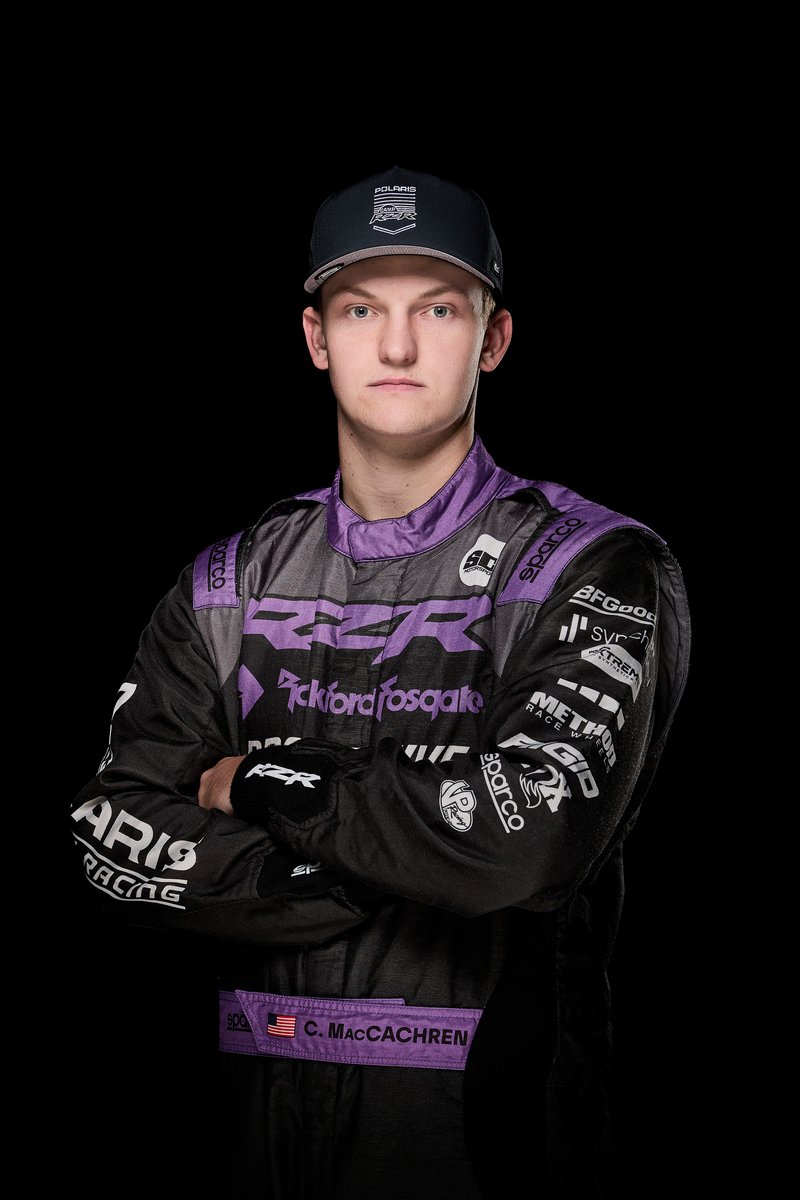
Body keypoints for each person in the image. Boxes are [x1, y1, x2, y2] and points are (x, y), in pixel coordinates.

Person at [69, 165, 691, 1199]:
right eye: (361, 309)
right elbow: (108, 829)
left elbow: (522, 842)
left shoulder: (592, 565)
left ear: (492, 338)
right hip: (243, 1148)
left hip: (480, 1161)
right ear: (316, 338)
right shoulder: (225, 584)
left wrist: (256, 783)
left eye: (436, 309)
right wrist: (386, 862)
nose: (396, 347)